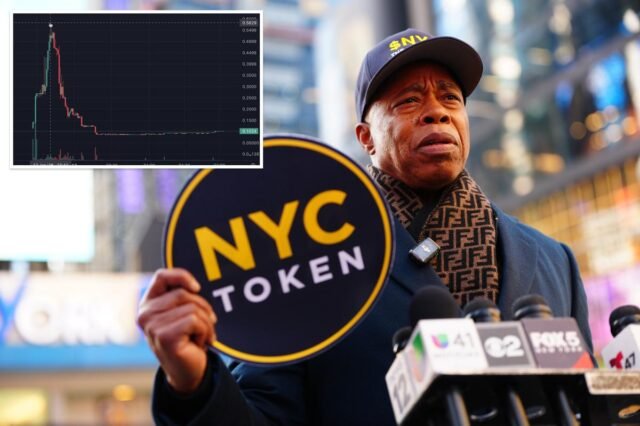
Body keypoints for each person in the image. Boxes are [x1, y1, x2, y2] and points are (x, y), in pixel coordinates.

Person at [138, 28, 592, 425]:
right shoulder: (311, 257)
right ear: (366, 137)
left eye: (450, 97)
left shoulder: (553, 260)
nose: (436, 111)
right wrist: (192, 383)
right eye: (408, 100)